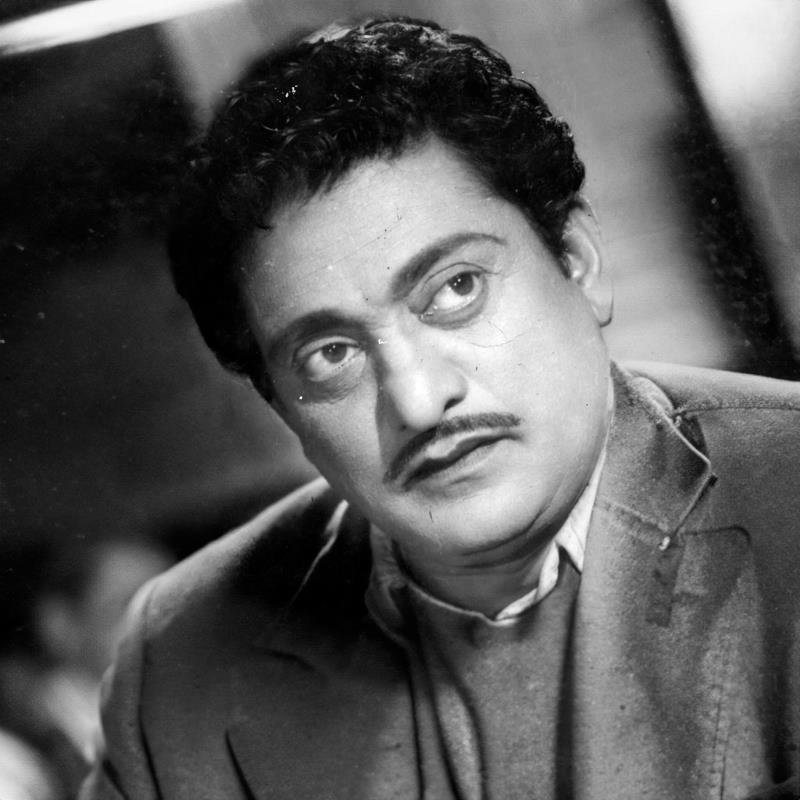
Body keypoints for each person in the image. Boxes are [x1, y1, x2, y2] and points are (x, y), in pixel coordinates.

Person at [81, 17, 800, 800]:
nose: (421, 402)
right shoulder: (177, 660)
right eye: (332, 354)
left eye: (456, 289)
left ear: (578, 261)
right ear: (280, 406)